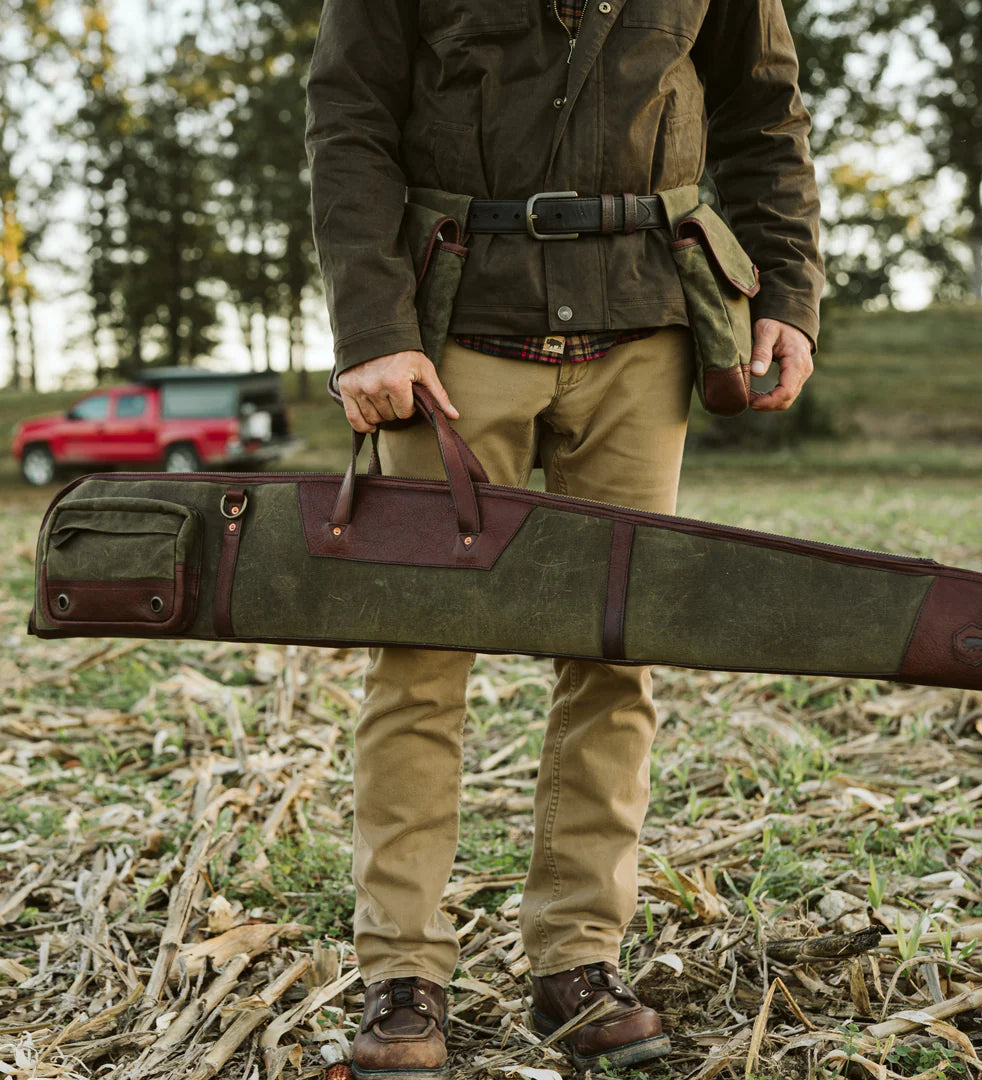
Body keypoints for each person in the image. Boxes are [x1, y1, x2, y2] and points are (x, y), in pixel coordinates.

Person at [304, 1, 824, 1076]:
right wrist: (372, 325)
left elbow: (763, 114)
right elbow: (348, 112)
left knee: (616, 655)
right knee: (421, 657)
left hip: (648, 326)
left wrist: (791, 290)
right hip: (453, 331)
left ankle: (576, 963)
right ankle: (403, 973)